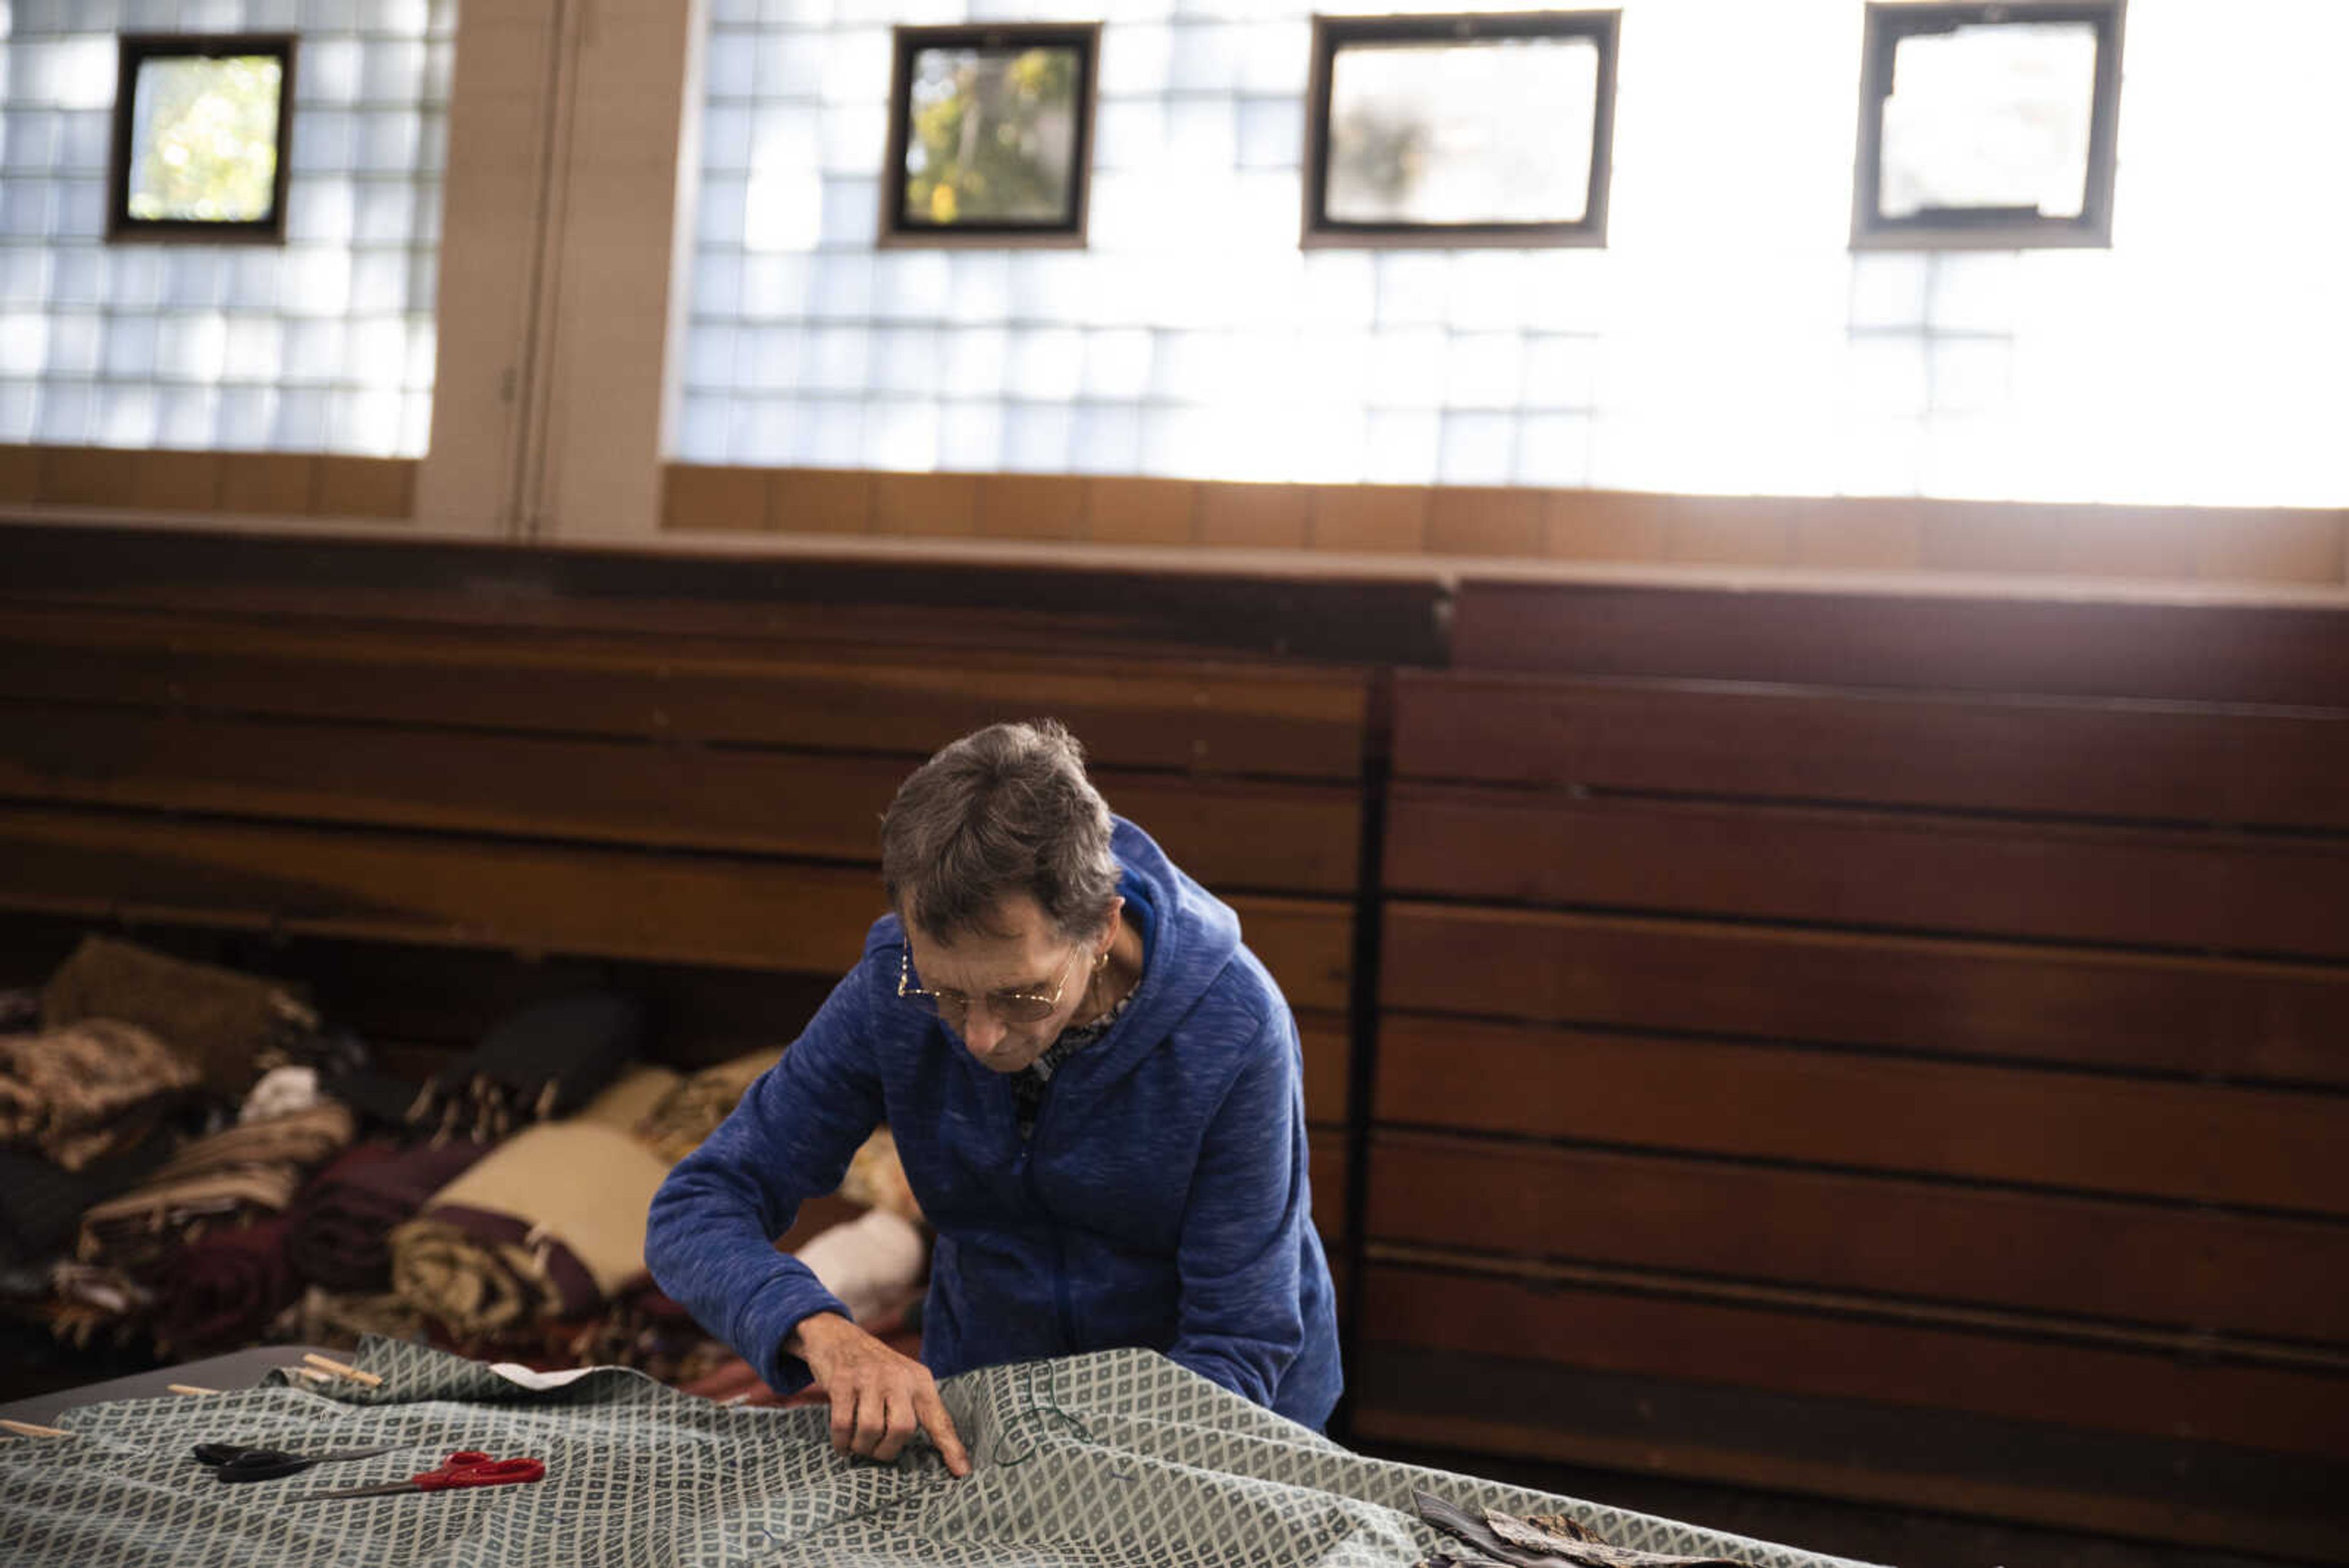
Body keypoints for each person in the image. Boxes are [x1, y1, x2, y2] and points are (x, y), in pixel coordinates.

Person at [645, 719, 1341, 1476]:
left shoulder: (1235, 1025)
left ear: (1102, 927)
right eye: (946, 991)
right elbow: (698, 1205)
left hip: (1216, 1419)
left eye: (1019, 995)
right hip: (984, 1405)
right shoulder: (892, 987)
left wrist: (1077, 1482)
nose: (978, 1038)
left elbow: (1237, 1342)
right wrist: (821, 1331)